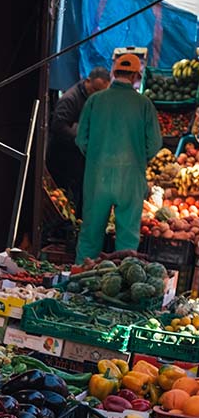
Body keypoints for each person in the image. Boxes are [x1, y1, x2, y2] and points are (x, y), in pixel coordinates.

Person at [75, 53, 162, 265]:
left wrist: (96, 155)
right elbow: (155, 143)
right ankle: (123, 284)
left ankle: (79, 280)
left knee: (90, 236)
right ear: (135, 76)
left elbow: (80, 139)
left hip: (97, 177)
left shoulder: (95, 100)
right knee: (127, 240)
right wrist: (139, 158)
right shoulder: (143, 103)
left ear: (114, 73)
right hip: (130, 178)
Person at [46, 66, 110, 215]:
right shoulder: (70, 99)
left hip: (80, 159)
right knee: (65, 200)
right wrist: (82, 137)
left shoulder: (93, 98)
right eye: (95, 89)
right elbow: (58, 126)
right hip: (63, 159)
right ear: (88, 81)